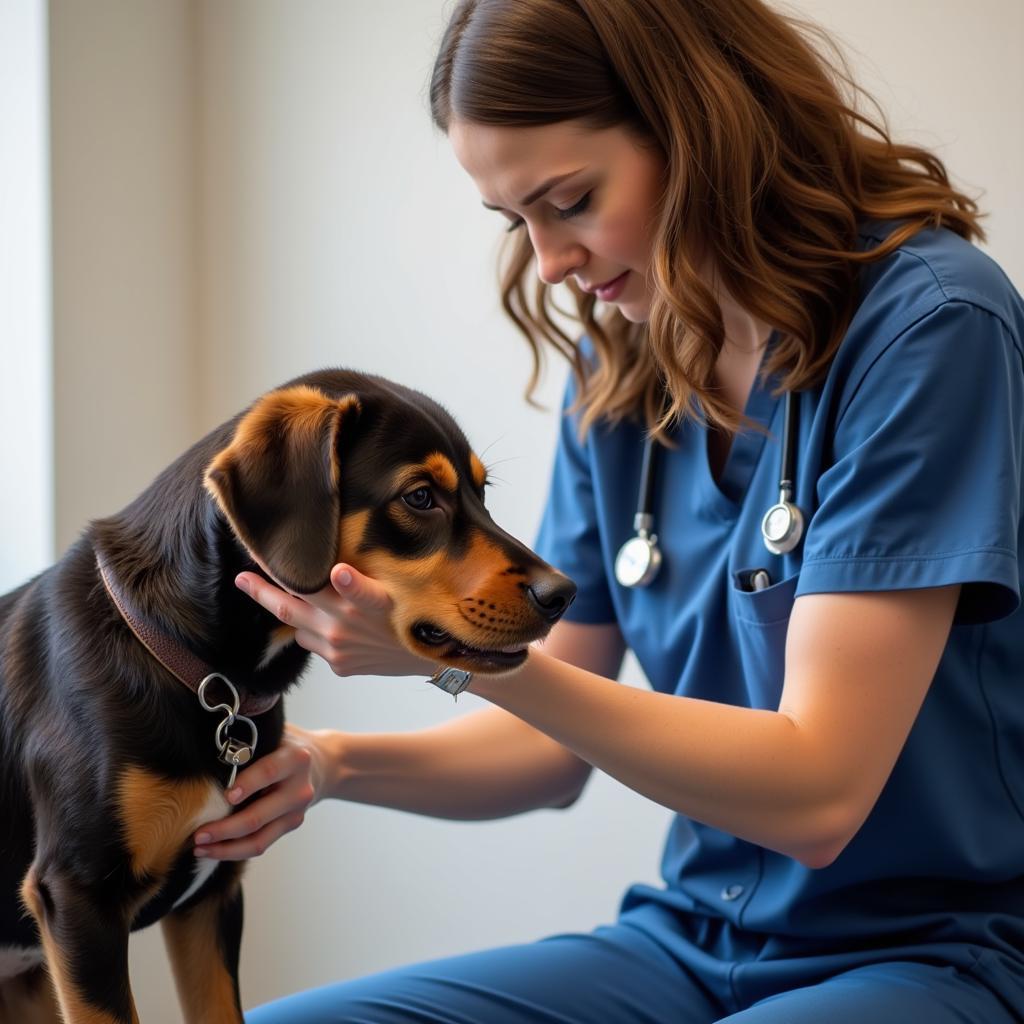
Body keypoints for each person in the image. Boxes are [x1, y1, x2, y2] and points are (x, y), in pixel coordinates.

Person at [195, 1, 1024, 1020]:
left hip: (933, 953)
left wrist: (462, 657)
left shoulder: (930, 328)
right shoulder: (625, 364)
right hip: (687, 940)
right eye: (518, 222)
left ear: (698, 127)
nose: (549, 263)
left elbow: (819, 792)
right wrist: (326, 763)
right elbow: (552, 747)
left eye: (572, 200)